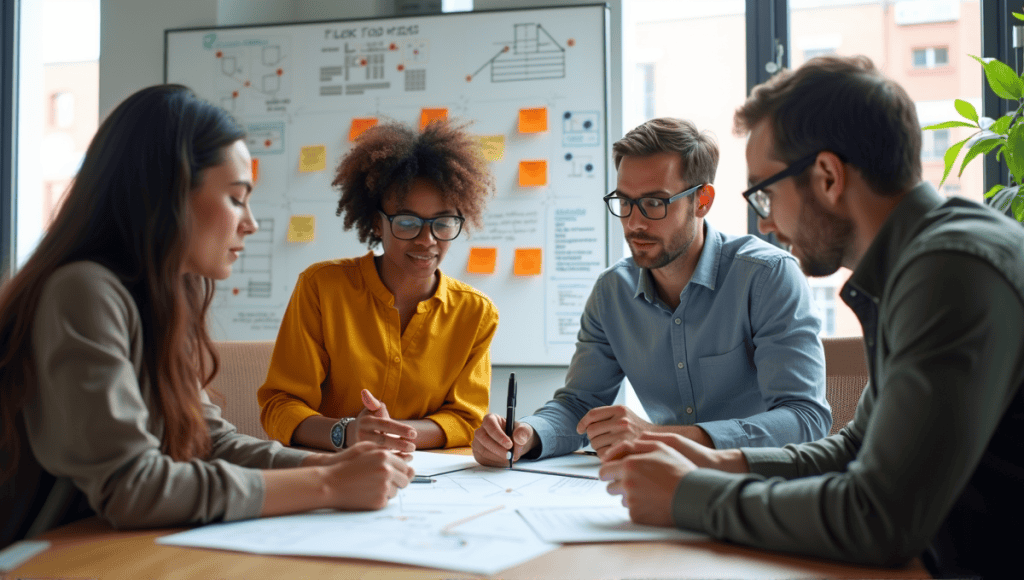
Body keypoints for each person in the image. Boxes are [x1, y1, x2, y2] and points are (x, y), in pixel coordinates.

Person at [598, 55, 1024, 580]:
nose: (767, 221)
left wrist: (689, 495)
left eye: (765, 192)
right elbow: (854, 447)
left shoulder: (952, 270)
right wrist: (720, 462)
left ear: (827, 176)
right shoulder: (922, 260)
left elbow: (878, 518)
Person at [0, 85, 414, 548]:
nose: (250, 223)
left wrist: (325, 465)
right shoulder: (82, 291)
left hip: (116, 551)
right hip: (48, 561)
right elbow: (132, 487)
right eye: (236, 198)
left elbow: (208, 441)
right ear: (169, 195)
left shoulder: (167, 295)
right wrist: (328, 486)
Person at [473, 118, 831, 467]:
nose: (634, 222)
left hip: (758, 486)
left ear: (702, 201)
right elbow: (579, 406)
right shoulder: (612, 292)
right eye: (624, 202)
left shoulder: (767, 277)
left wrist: (659, 438)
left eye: (655, 203)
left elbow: (805, 420)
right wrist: (527, 435)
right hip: (665, 484)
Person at [257, 119, 498, 453]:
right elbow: (281, 406)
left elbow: (467, 419)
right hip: (333, 472)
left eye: (442, 223)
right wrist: (347, 433)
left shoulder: (475, 312)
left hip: (437, 482)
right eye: (408, 222)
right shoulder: (322, 288)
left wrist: (391, 434)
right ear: (376, 221)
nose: (427, 240)